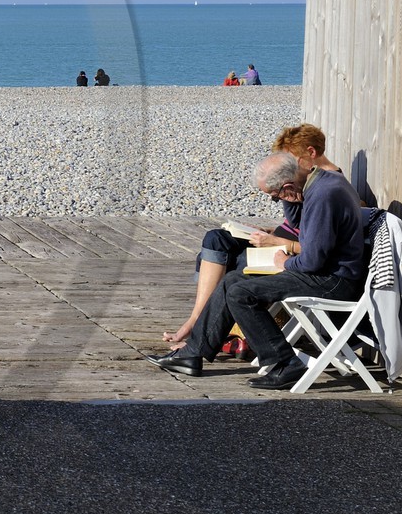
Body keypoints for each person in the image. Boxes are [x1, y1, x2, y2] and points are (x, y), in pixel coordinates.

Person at [152, 149, 366, 389]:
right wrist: (288, 198)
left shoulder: (323, 196)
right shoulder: (318, 184)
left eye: (275, 196)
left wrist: (285, 263)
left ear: (288, 185)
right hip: (328, 272)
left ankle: (285, 364)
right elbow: (299, 225)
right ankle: (192, 353)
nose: (277, 200)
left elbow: (312, 260)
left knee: (241, 294)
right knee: (234, 280)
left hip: (333, 280)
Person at [159, 123, 342, 348]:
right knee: (216, 238)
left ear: (310, 154)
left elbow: (315, 244)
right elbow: (296, 222)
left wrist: (277, 240)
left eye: (290, 161)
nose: (287, 167)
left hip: (285, 251)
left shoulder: (326, 188)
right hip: (277, 240)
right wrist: (273, 227)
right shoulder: (305, 183)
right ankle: (196, 320)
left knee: (235, 265)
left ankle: (208, 333)